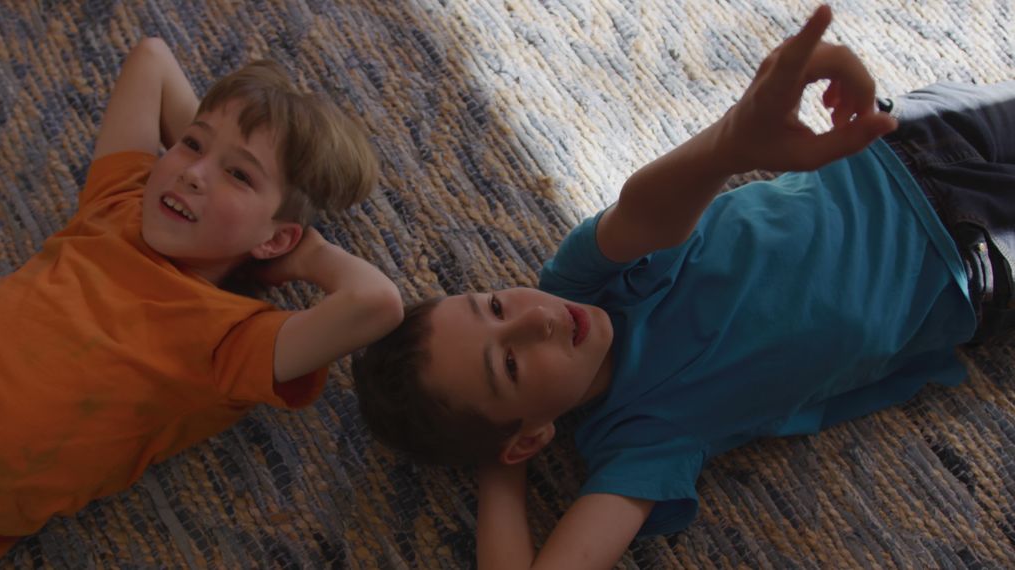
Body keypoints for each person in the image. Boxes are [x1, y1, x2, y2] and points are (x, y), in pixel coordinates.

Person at [353, 5, 1015, 568]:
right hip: (966, 271)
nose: (535, 319)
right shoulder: (640, 441)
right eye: (510, 361)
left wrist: (734, 142)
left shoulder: (580, 278)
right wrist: (503, 466)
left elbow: (647, 206)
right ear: (527, 436)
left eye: (494, 305)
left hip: (904, 145)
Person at [0, 38, 403, 567]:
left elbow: (377, 302)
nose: (192, 172)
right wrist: (234, 148)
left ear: (278, 238)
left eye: (238, 175)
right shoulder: (117, 206)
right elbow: (151, 58)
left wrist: (302, 253)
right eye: (192, 144)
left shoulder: (231, 338)